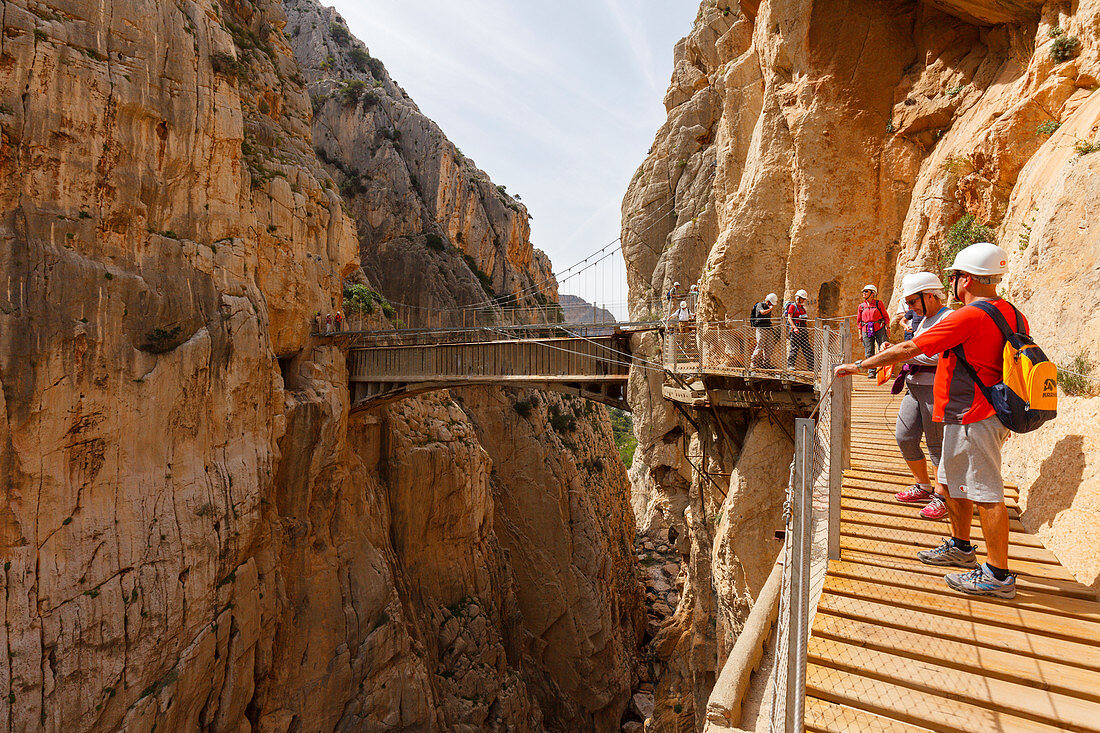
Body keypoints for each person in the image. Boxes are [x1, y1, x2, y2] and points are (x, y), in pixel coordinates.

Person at [834, 242, 1021, 599]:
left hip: (974, 413)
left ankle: (998, 575)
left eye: (955, 276)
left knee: (986, 494)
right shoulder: (1010, 312)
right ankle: (962, 547)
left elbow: (909, 349)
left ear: (964, 279)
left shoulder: (969, 315)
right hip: (968, 411)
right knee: (949, 483)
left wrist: (857, 366)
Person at [890, 273, 951, 520]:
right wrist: (896, 353)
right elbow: (917, 349)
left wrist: (903, 355)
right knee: (904, 436)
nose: (911, 308)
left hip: (934, 387)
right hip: (915, 385)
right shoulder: (924, 318)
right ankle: (923, 486)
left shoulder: (947, 318)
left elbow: (938, 355)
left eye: (913, 301)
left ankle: (943, 497)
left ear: (929, 295)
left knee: (937, 445)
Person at [857, 284, 890, 378]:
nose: (864, 293)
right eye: (863, 291)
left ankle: (884, 370)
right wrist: (860, 333)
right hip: (866, 329)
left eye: (866, 291)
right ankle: (871, 371)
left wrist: (888, 328)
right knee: (869, 350)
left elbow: (886, 316)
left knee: (883, 348)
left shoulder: (878, 304)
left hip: (879, 328)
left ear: (872, 293)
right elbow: (859, 321)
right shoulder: (861, 306)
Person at [786, 290, 814, 371]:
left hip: (803, 329)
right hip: (796, 329)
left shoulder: (802, 308)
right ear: (798, 298)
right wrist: (794, 327)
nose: (804, 300)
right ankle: (790, 365)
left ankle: (811, 366)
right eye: (803, 299)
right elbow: (789, 318)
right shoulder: (792, 306)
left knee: (807, 347)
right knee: (794, 348)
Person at [751, 293, 778, 368]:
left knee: (769, 346)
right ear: (768, 301)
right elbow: (762, 312)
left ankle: (766, 363)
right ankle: (753, 361)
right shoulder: (760, 305)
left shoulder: (768, 307)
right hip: (761, 328)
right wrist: (770, 309)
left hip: (768, 328)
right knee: (760, 345)